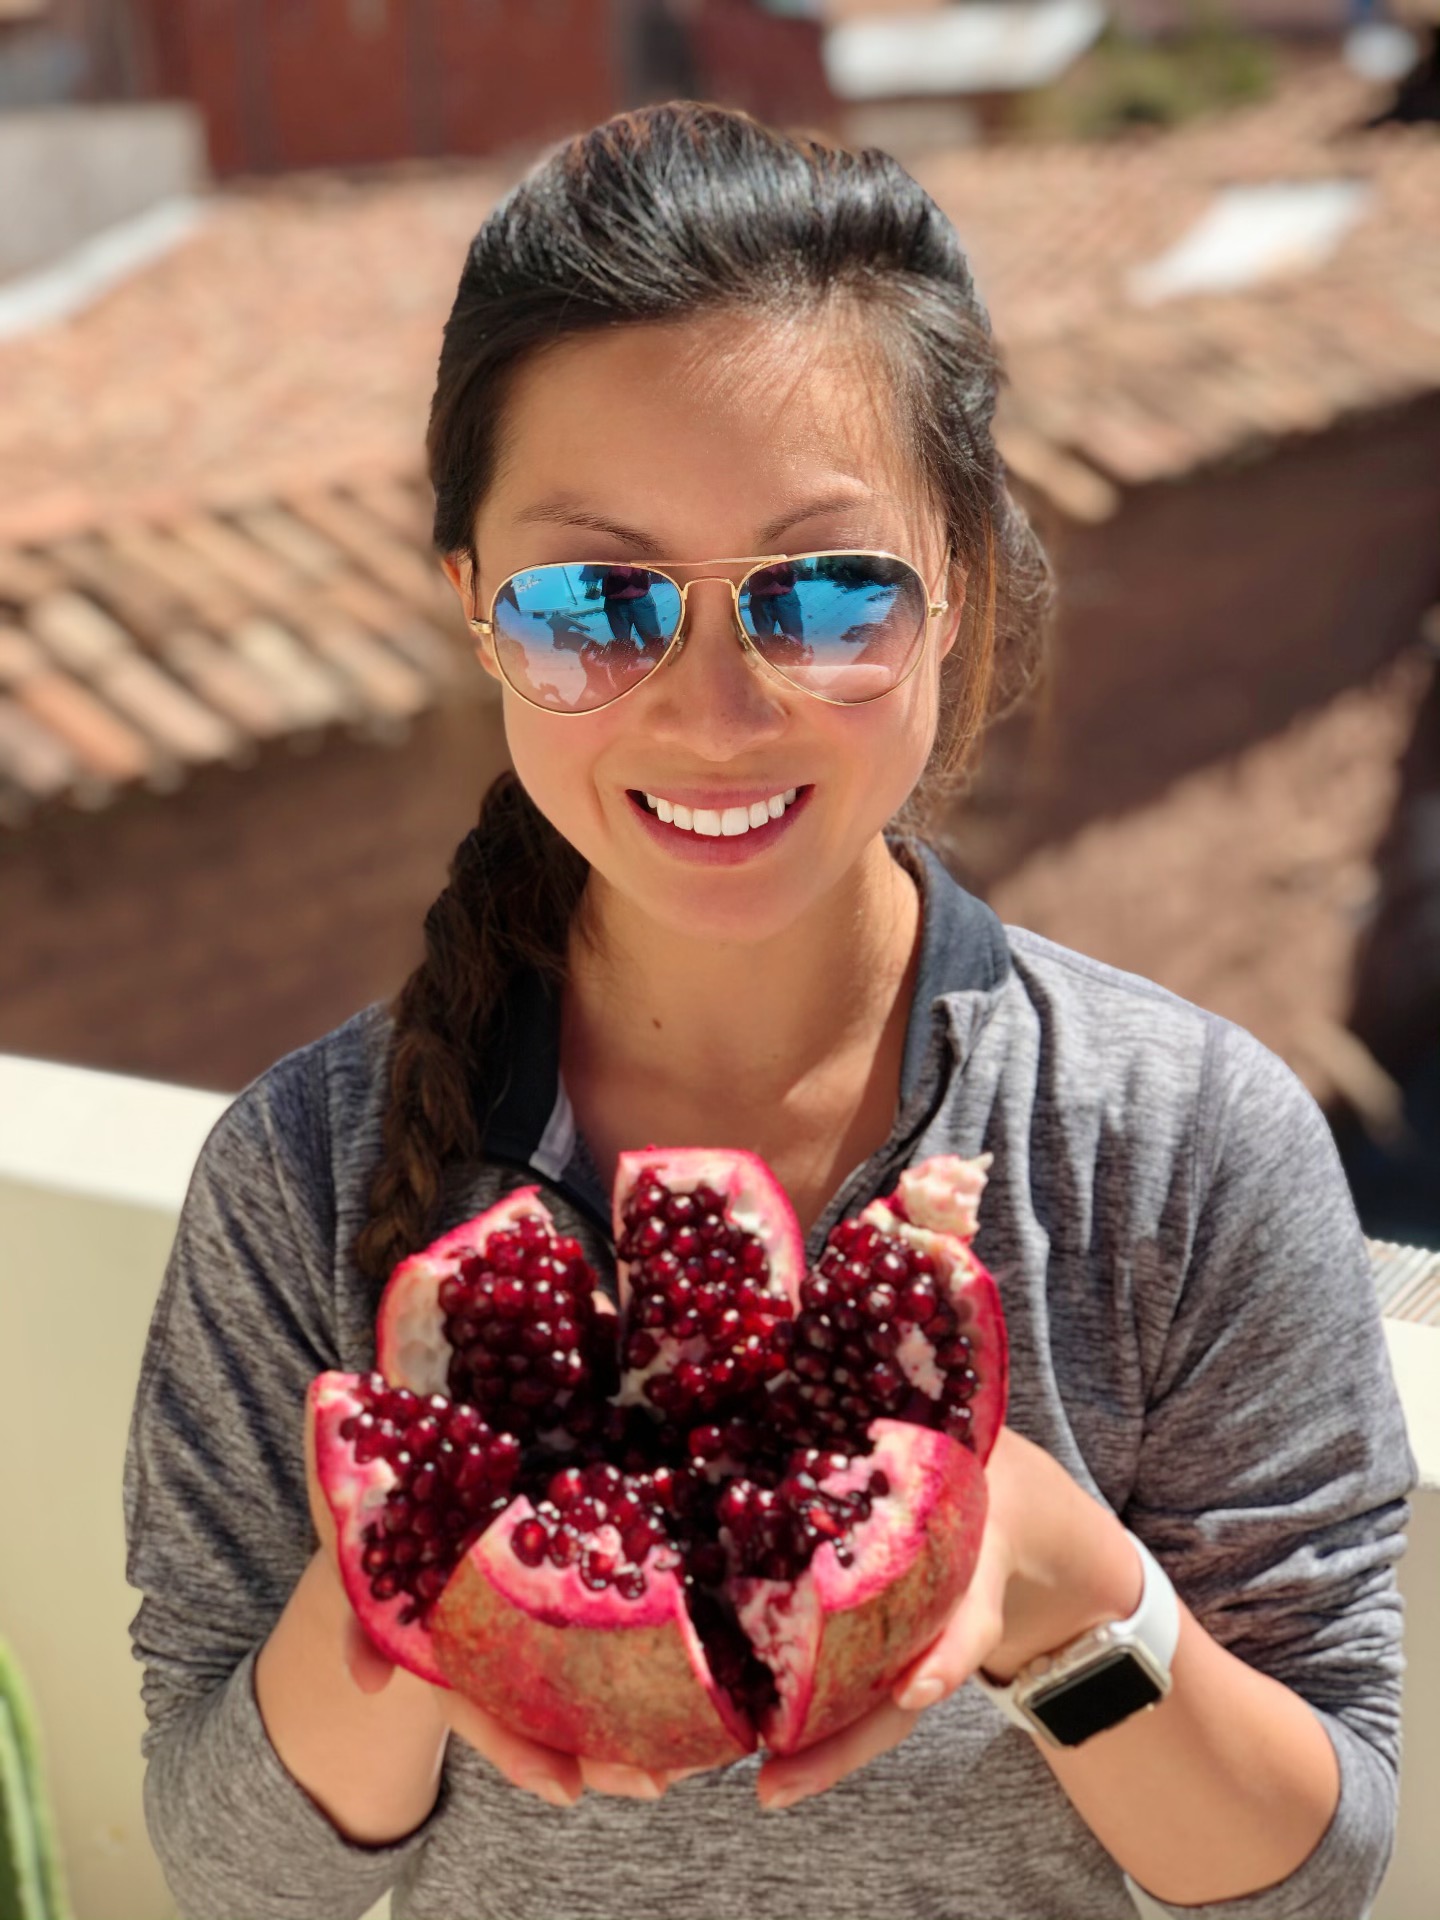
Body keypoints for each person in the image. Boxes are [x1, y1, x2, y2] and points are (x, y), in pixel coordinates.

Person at [122, 102, 1414, 1920]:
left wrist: (1059, 1590)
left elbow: (1320, 1870)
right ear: (475, 614)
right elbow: (229, 1869)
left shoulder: (1179, 1144)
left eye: (822, 590)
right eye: (594, 600)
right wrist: (409, 1576)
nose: (713, 711)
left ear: (954, 586)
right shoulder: (305, 1171)